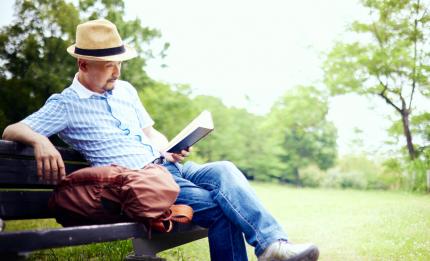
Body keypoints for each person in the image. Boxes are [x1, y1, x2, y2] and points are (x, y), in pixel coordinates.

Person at [2, 19, 319, 261]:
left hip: (168, 167)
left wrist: (170, 147)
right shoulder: (66, 104)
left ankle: (272, 244)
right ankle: (272, 249)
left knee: (223, 168)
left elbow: (150, 133)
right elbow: (13, 129)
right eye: (107, 66)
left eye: (119, 63)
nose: (116, 72)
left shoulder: (125, 90)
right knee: (222, 209)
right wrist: (40, 141)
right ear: (83, 64)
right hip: (141, 183)